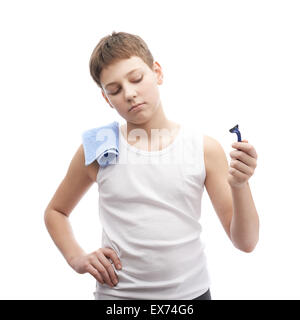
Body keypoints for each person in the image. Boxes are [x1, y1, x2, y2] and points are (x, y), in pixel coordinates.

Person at [44, 31, 259, 300]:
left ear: (157, 72)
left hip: (191, 296)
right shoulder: (100, 148)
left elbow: (246, 242)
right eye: (115, 90)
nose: (130, 94)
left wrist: (240, 184)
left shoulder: (203, 149)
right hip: (118, 299)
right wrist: (76, 257)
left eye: (136, 79)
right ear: (106, 98)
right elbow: (56, 211)